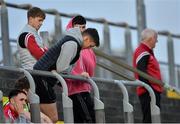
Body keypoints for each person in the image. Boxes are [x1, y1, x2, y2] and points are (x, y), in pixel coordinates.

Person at [33, 27, 100, 122]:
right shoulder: (72, 43)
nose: (88, 49)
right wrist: (78, 76)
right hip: (42, 78)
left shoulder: (73, 42)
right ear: (86, 39)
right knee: (52, 118)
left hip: (42, 77)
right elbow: (62, 67)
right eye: (90, 46)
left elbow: (62, 67)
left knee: (44, 117)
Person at [66, 15, 96, 123]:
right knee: (89, 119)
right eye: (78, 27)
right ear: (72, 27)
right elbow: (64, 66)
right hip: (75, 90)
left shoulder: (87, 48)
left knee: (82, 119)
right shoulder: (69, 43)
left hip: (84, 88)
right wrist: (78, 76)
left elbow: (91, 67)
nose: (81, 30)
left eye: (83, 27)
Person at [133, 28, 163, 123]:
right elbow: (141, 72)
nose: (157, 41)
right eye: (156, 38)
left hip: (151, 91)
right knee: (149, 120)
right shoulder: (143, 51)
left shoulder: (146, 52)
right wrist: (150, 89)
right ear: (150, 39)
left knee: (152, 119)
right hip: (149, 92)